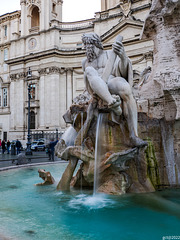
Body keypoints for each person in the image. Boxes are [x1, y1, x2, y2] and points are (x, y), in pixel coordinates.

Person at [81, 32, 147, 147]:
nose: (88, 49)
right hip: (95, 87)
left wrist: (123, 57)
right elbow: (87, 82)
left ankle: (134, 135)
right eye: (86, 46)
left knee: (126, 88)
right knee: (90, 71)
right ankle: (111, 102)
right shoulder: (85, 62)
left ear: (97, 44)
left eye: (90, 45)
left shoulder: (109, 54)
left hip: (110, 82)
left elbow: (121, 72)